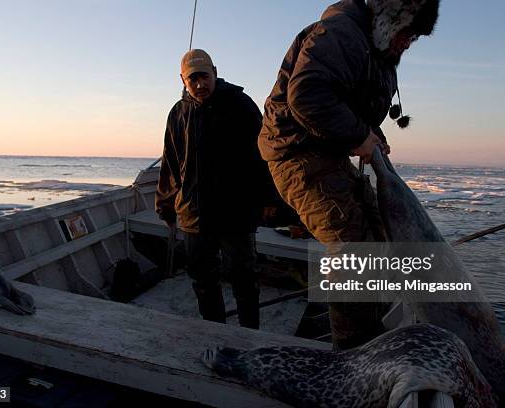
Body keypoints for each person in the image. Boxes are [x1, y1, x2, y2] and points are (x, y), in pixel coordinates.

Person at [258, 0, 440, 349]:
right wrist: (359, 136)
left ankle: (374, 329)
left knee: (381, 228)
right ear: (389, 21)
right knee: (354, 247)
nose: (407, 43)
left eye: (414, 38)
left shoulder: (377, 51)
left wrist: (373, 136)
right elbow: (307, 95)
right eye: (406, 33)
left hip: (329, 152)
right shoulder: (341, 34)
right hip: (294, 154)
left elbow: (352, 103)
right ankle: (352, 351)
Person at [155, 49, 270, 329]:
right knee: (203, 280)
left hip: (236, 212)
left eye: (204, 77)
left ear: (215, 72)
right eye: (191, 79)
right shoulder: (178, 113)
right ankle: (214, 334)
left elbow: (264, 157)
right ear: (182, 79)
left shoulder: (241, 104)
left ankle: (249, 336)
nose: (199, 84)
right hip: (194, 214)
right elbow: (171, 161)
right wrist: (165, 202)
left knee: (243, 279)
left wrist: (270, 199)